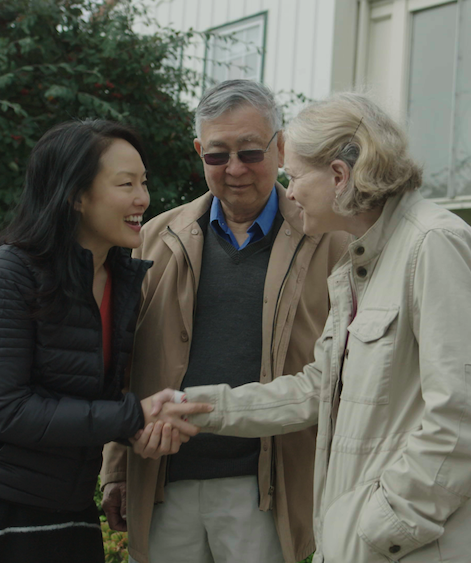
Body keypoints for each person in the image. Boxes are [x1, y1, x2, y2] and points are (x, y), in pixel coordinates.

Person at [178, 93, 471, 563]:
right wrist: (195, 408)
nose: (292, 192)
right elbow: (315, 387)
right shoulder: (363, 262)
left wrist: (377, 529)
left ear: (339, 177)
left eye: (296, 176)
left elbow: (466, 421)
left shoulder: (433, 243)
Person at [0, 120, 209, 563]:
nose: (142, 199)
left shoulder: (122, 279)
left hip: (66, 506)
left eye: (143, 182)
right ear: (74, 195)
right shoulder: (9, 272)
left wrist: (139, 432)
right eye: (125, 184)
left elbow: (92, 402)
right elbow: (5, 410)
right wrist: (133, 416)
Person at [99, 80, 349, 563]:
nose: (234, 169)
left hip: (271, 488)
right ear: (199, 152)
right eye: (218, 154)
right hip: (164, 482)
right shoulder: (152, 239)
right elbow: (126, 362)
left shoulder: (329, 237)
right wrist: (116, 468)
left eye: (250, 152)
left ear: (280, 148)